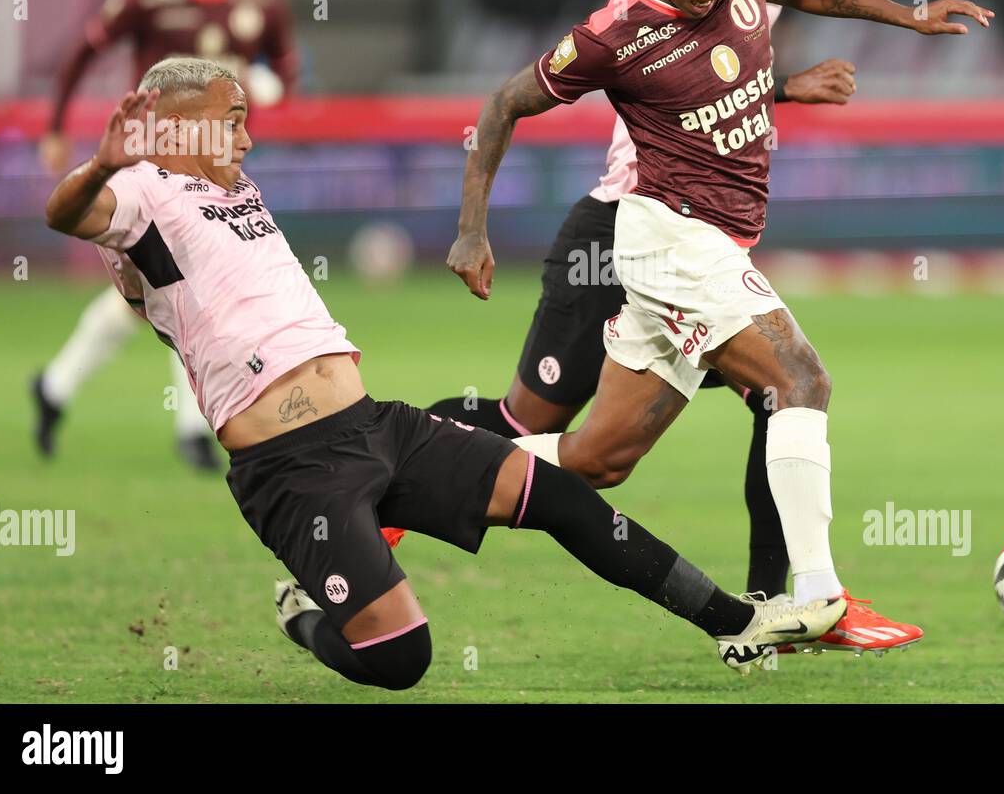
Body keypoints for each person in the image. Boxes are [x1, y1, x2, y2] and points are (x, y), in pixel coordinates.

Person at [42, 57, 847, 688]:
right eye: (233, 120)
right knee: (404, 661)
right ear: (177, 128)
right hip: (293, 468)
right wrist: (106, 164)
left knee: (563, 496)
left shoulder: (235, 185)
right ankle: (309, 616)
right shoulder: (143, 191)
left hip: (372, 424)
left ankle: (734, 620)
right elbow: (70, 214)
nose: (247, 138)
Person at [447, 0, 994, 653]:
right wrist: (473, 229)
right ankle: (817, 598)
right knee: (798, 380)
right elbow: (503, 104)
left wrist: (909, 16)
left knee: (599, 459)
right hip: (671, 239)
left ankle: (416, 466)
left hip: (707, 243)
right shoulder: (612, 35)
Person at [426, 0, 855, 606]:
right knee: (529, 418)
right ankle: (400, 456)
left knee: (767, 400)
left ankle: (773, 600)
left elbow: (727, 84)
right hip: (621, 231)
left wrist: (788, 84)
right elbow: (648, 91)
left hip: (688, 242)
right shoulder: (643, 15)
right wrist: (472, 226)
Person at [33, 0, 298, 471]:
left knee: (163, 291)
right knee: (179, 286)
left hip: (217, 170)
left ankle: (55, 386)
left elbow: (284, 65)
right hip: (153, 170)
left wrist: (271, 85)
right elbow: (82, 50)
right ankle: (191, 428)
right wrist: (55, 128)